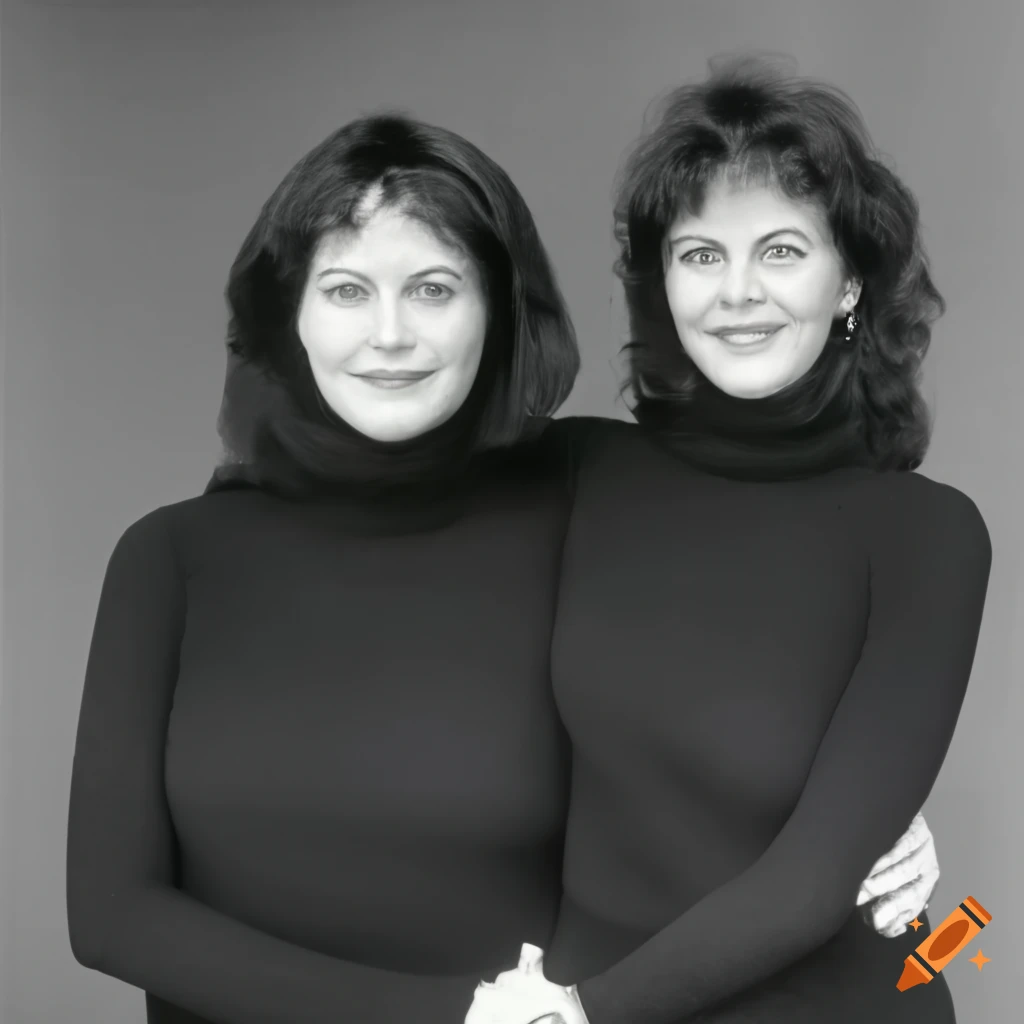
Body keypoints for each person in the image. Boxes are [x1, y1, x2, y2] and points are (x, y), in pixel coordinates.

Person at [66, 109, 937, 1024]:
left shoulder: (592, 496)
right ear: (290, 311)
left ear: (499, 307)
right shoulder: (170, 558)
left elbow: (765, 634)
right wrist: (454, 1018)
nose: (391, 334)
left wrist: (855, 812)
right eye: (347, 289)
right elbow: (112, 917)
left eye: (436, 289)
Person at [466, 60, 991, 1024]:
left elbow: (811, 878)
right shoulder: (579, 474)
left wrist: (577, 1016)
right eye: (700, 255)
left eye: (782, 251)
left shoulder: (928, 533)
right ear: (662, 282)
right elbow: (367, 514)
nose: (738, 292)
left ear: (850, 285)